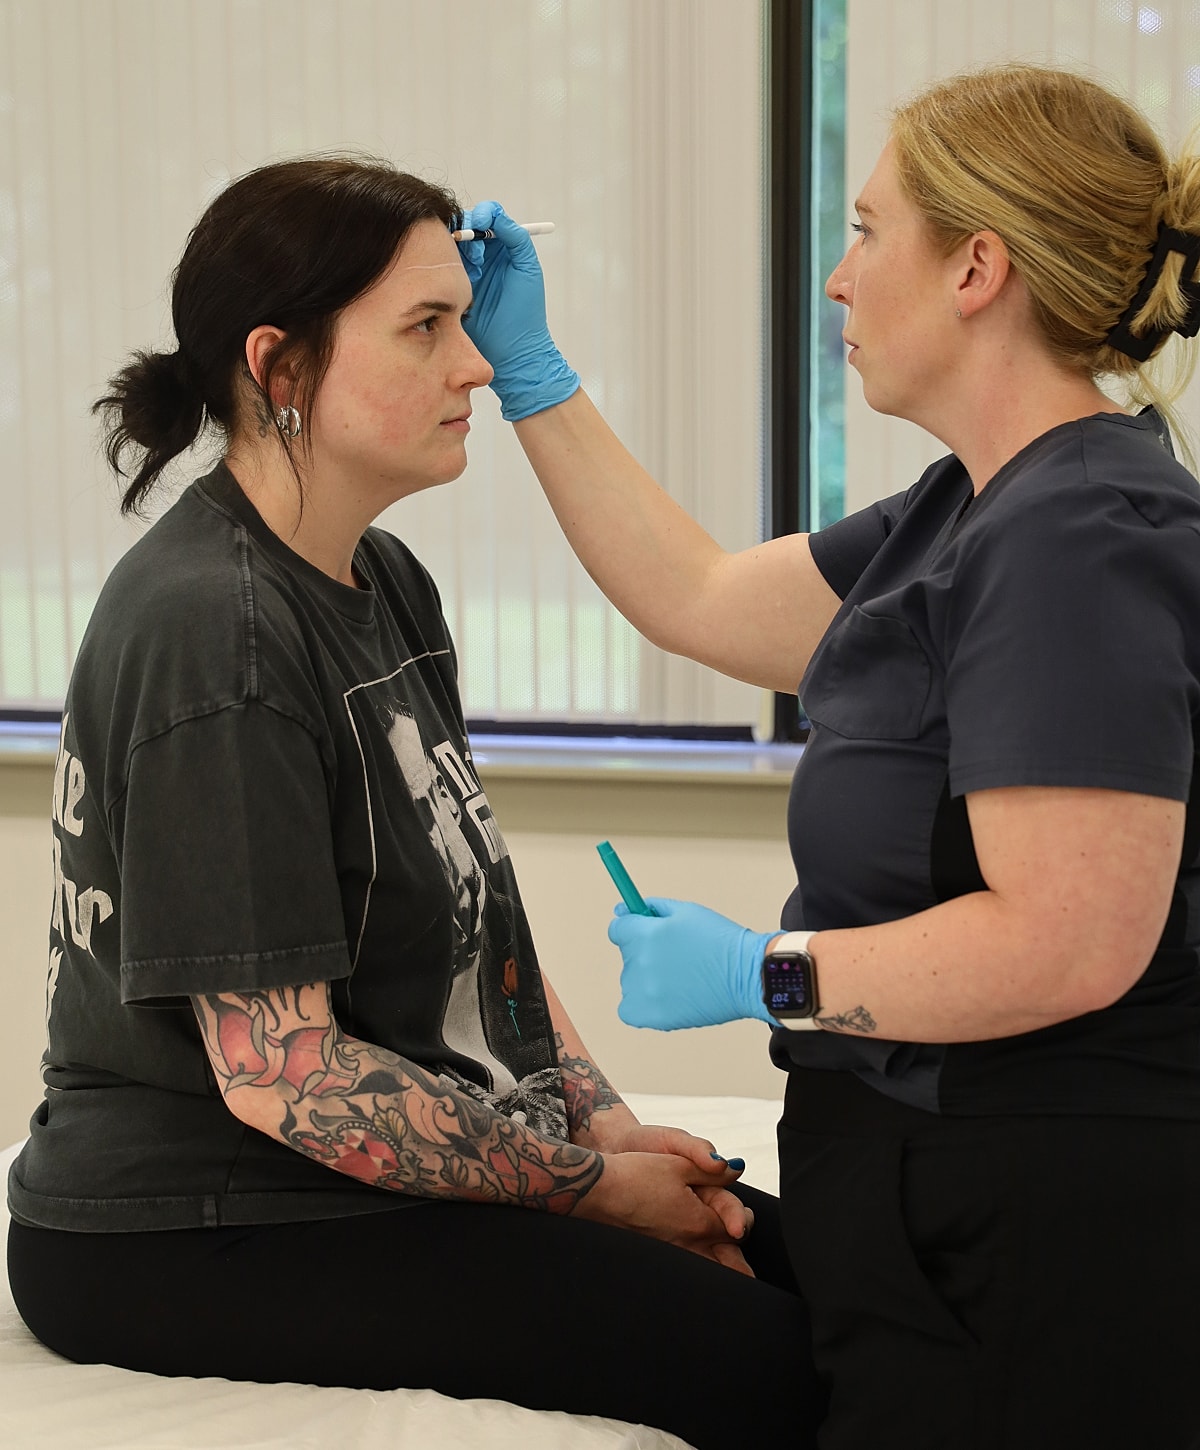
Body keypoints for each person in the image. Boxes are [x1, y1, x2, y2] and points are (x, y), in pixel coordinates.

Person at [4, 155, 827, 1450]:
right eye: (428, 328)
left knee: (843, 1285)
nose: (481, 367)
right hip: (196, 1218)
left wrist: (607, 1126)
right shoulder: (217, 629)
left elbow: (478, 920)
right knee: (770, 1366)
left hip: (326, 1176)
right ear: (281, 370)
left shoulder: (381, 579)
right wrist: (591, 1193)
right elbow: (288, 1077)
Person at [457, 63, 1200, 1449]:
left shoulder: (1078, 537)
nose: (838, 281)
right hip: (936, 1202)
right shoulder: (966, 509)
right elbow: (698, 597)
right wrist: (536, 380)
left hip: (1043, 1228)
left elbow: (1074, 940)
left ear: (979, 266)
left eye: (866, 232)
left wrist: (764, 973)